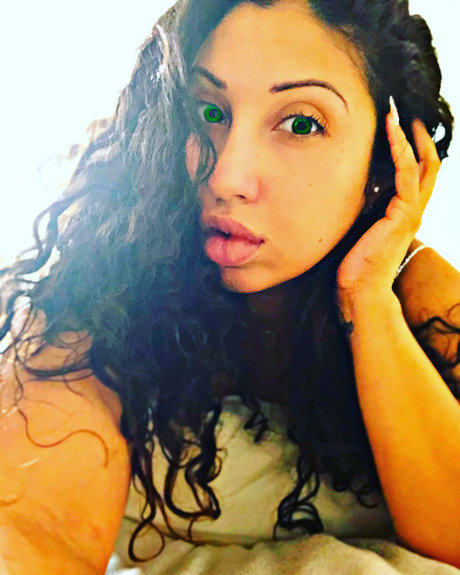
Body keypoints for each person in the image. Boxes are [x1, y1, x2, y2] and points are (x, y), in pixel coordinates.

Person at [0, 0, 459, 573]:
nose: (225, 177)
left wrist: (367, 301)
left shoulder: (420, 296)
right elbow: (35, 534)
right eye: (209, 112)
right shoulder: (104, 289)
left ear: (385, 160)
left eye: (300, 124)